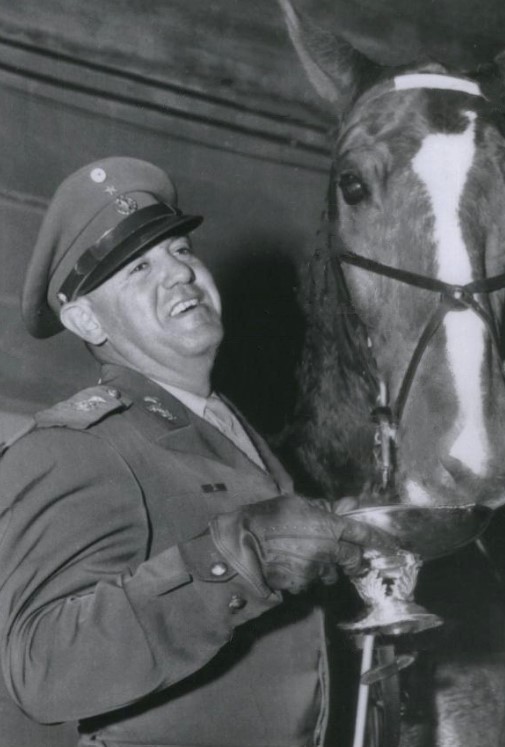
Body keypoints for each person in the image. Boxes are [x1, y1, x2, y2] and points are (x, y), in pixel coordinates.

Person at [0, 157, 399, 747]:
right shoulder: (77, 447)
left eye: (181, 251)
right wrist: (234, 559)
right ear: (85, 319)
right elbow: (42, 667)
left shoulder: (242, 435)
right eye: (138, 268)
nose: (179, 274)